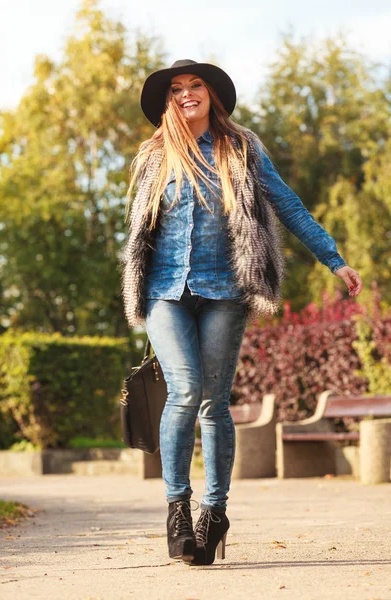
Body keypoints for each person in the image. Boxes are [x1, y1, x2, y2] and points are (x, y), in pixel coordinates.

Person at [119, 59, 363, 566]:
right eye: (177, 89)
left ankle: (214, 512)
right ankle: (177, 511)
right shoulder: (155, 156)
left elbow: (288, 205)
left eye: (196, 85)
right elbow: (140, 233)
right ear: (168, 101)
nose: (187, 94)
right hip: (165, 292)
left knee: (214, 401)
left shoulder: (241, 149)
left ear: (211, 94)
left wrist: (334, 259)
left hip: (226, 291)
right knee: (185, 390)